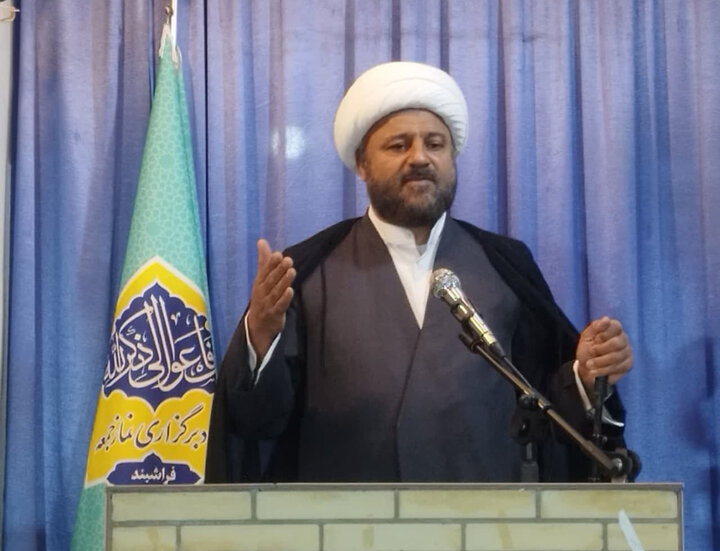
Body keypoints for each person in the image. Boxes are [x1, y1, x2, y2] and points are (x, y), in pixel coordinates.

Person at [205, 61, 633, 483]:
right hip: (349, 518)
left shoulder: (505, 263)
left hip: (487, 516)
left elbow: (543, 409)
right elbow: (259, 424)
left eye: (435, 144)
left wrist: (585, 377)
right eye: (398, 146)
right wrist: (259, 338)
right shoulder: (309, 271)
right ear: (362, 164)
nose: (420, 158)